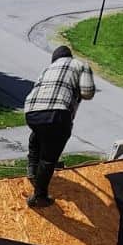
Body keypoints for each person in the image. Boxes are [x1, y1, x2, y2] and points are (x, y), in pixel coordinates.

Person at [23, 43, 95, 207]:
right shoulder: (81, 65)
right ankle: (39, 196)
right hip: (58, 115)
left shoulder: (48, 69)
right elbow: (87, 92)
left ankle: (32, 169)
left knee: (38, 134)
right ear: (69, 56)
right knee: (49, 157)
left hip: (31, 112)